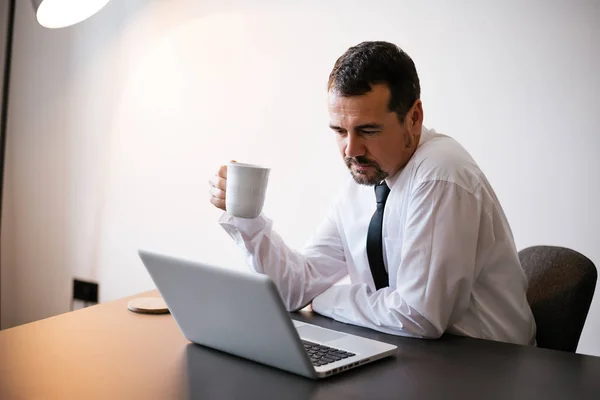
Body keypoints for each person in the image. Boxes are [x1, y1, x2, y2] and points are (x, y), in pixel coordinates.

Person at [208, 41, 536, 345]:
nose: (351, 149)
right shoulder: (366, 180)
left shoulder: (440, 174)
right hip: (414, 356)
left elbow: (417, 316)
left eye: (368, 130)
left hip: (485, 369)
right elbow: (295, 287)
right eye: (340, 131)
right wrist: (247, 219)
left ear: (414, 118)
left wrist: (323, 298)